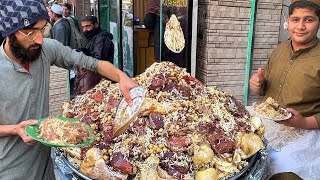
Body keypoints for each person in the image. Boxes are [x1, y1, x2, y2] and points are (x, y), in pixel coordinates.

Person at [0, 0, 137, 179]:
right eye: (30, 33)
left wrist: (121, 77)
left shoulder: (45, 50)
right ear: (10, 33)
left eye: (42, 29)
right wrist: (15, 129)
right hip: (11, 169)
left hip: (45, 166)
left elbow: (91, 63)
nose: (40, 39)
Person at [249, 0, 320, 179]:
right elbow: (266, 87)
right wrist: (258, 84)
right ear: (287, 21)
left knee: (281, 170)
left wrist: (303, 122)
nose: (301, 26)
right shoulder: (279, 49)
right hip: (266, 123)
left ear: (319, 22)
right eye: (295, 19)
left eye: (309, 20)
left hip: (303, 132)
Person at [75, 15, 115, 95]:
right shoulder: (94, 37)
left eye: (88, 26)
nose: (85, 30)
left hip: (100, 80)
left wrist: (86, 53)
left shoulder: (101, 38)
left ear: (96, 25)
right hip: (97, 79)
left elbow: (99, 61)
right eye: (83, 27)